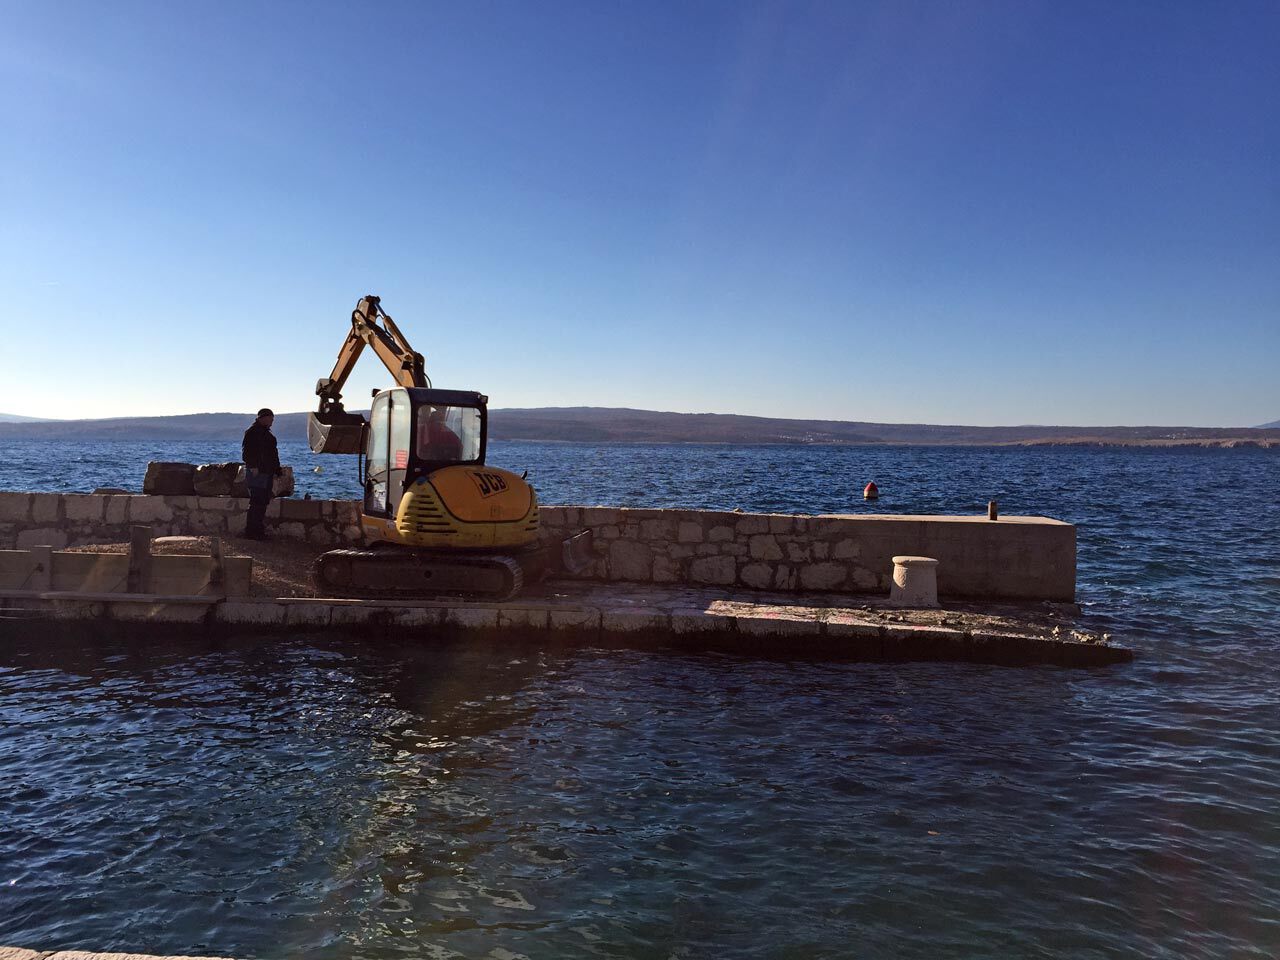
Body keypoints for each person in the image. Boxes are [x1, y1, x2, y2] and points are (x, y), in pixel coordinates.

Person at [241, 407, 282, 539]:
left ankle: (258, 531)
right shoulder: (252, 432)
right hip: (257, 473)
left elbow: (273, 454)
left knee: (262, 502)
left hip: (267, 472)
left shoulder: (268, 435)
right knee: (257, 502)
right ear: (263, 418)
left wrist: (277, 469)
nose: (272, 422)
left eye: (273, 419)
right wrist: (253, 466)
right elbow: (247, 453)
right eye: (270, 419)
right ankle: (251, 531)